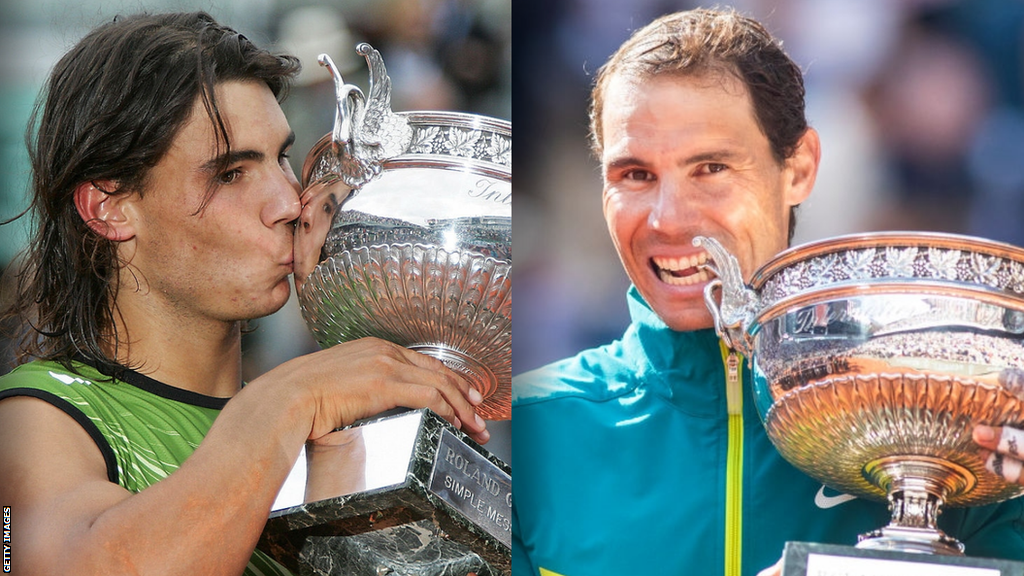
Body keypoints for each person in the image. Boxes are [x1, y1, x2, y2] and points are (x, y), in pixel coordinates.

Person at [511, 8, 1024, 576]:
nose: (668, 219)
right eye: (635, 175)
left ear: (799, 167)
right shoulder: (526, 432)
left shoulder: (942, 421)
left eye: (710, 168)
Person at [0, 12, 489, 576]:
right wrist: (286, 399)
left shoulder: (323, 426)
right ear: (109, 206)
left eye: (282, 157)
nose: (288, 201)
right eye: (231, 173)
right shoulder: (33, 417)